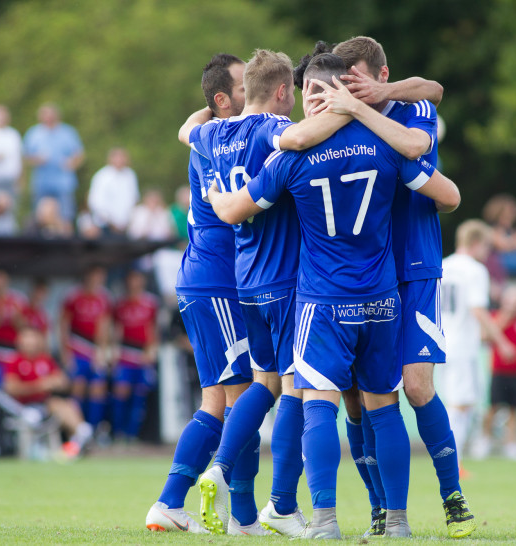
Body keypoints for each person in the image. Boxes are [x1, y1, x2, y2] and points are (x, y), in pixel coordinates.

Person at [208, 52, 460, 539]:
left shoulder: (291, 157)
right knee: (384, 408)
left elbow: (236, 211)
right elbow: (448, 197)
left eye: (307, 93)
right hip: (383, 299)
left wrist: (218, 197)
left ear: (317, 95)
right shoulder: (383, 145)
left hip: (323, 301)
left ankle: (323, 522)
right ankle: (399, 524)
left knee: (318, 405)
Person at [181, 48, 352, 537]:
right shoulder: (266, 127)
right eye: (293, 95)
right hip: (286, 279)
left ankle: (219, 468)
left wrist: (208, 110)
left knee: (264, 384)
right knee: (297, 387)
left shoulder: (212, 132)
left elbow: (184, 130)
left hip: (246, 280)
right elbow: (297, 135)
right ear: (281, 93)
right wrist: (349, 108)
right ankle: (281, 503)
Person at [314, 35, 474, 538]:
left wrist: (369, 104)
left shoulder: (412, 107)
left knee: (417, 385)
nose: (350, 91)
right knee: (360, 398)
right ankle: (382, 510)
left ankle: (453, 496)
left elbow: (428, 101)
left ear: (382, 77)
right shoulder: (336, 123)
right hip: (365, 279)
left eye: (359, 81)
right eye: (345, 84)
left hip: (417, 264)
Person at [146, 53, 247, 535]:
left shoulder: (207, 134)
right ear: (223, 99)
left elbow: (190, 124)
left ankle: (170, 502)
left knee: (218, 400)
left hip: (206, 279)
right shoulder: (225, 140)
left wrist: (200, 116)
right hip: (217, 282)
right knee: (242, 397)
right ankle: (245, 516)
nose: (257, 93)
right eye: (246, 86)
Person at [440, 220, 515, 473]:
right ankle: (452, 463)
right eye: (486, 246)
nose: (488, 252)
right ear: (475, 243)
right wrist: (501, 341)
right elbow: (478, 310)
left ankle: (453, 459)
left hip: (440, 342)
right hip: (462, 345)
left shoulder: (442, 265)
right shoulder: (475, 270)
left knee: (462, 403)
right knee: (459, 405)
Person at [2, 326, 93, 458]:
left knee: (65, 404)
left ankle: (81, 434)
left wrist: (58, 381)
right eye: (27, 338)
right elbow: (10, 388)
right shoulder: (14, 361)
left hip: (44, 404)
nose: (30, 342)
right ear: (20, 341)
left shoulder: (45, 360)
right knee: (52, 405)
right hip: (22, 407)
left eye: (32, 338)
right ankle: (78, 438)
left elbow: (64, 382)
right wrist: (40, 385)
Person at [474, 286, 516, 461]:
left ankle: (511, 443)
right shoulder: (496, 317)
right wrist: (506, 316)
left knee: (515, 409)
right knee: (493, 407)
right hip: (498, 370)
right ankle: (485, 439)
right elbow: (485, 336)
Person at [59, 266, 112, 431]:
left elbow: (104, 326)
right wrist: (65, 353)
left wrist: (102, 352)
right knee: (78, 387)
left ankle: (94, 429)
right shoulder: (74, 296)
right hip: (77, 347)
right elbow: (63, 325)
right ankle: (77, 430)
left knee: (98, 389)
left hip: (94, 351)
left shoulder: (104, 298)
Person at [110, 269, 159, 444]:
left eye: (137, 278)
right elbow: (115, 329)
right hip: (125, 353)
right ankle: (117, 433)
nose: (134, 282)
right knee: (120, 392)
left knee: (140, 395)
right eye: (131, 279)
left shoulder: (150, 303)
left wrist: (151, 350)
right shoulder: (120, 303)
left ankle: (132, 435)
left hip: (142, 354)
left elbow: (152, 329)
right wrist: (113, 352)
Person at [23, 103, 84, 221]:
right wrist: (37, 159)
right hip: (41, 183)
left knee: (66, 216)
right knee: (40, 217)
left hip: (63, 182)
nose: (48, 118)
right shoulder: (34, 133)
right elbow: (25, 157)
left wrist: (71, 163)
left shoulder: (68, 132)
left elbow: (79, 155)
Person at [0, 270, 27, 387]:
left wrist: (16, 319)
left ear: (7, 282)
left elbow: (25, 329)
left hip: (13, 351)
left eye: (1, 281)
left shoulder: (17, 300)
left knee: (12, 384)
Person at [87, 148, 140, 236]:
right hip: (106, 225)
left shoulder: (130, 175)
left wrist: (127, 221)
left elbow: (134, 199)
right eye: (117, 157)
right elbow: (96, 203)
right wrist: (112, 223)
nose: (120, 160)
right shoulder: (102, 176)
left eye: (122, 157)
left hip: (126, 226)